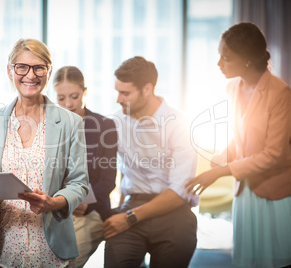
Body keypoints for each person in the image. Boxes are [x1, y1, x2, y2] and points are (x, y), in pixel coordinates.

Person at [0, 39, 89, 268]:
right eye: (21, 67)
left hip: (51, 254)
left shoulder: (71, 123)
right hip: (0, 253)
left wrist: (54, 203)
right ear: (9, 70)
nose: (30, 75)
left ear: (49, 71)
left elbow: (79, 183)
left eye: (38, 67)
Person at [185, 22, 291, 268]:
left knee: (275, 260)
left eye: (226, 58)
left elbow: (274, 155)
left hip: (274, 192)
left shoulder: (280, 93)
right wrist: (224, 154)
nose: (219, 64)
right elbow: (241, 136)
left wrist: (220, 171)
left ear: (247, 60)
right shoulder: (233, 88)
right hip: (246, 190)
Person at [103, 56, 198, 267]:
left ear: (147, 89)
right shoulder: (117, 121)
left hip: (174, 212)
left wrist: (128, 217)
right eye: (117, 91)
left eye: (125, 93)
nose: (118, 99)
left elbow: (179, 191)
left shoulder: (180, 125)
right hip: (133, 204)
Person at [53, 66, 118, 267]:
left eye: (74, 96)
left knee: (66, 262)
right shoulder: (50, 127)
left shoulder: (104, 126)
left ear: (85, 92)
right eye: (61, 98)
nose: (69, 104)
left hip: (90, 209)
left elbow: (107, 181)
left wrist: (82, 202)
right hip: (56, 210)